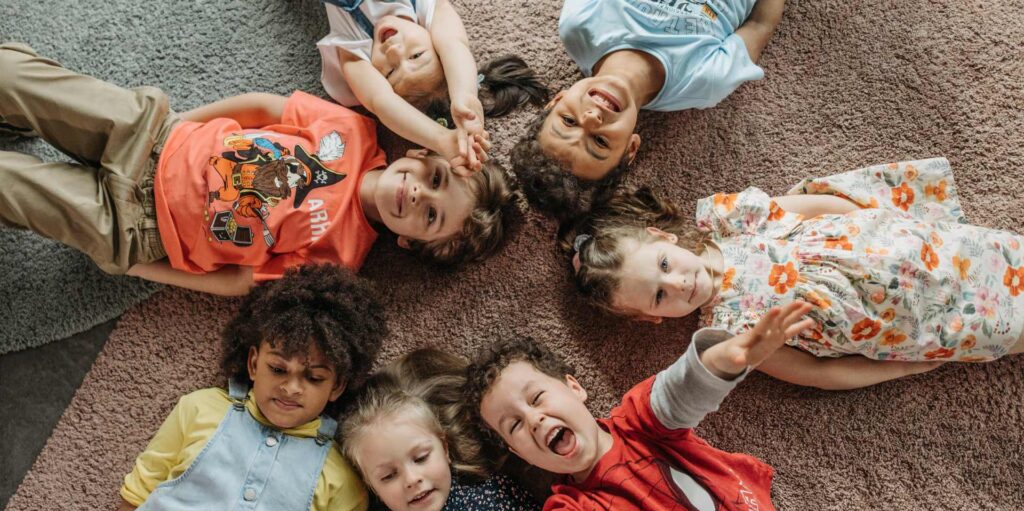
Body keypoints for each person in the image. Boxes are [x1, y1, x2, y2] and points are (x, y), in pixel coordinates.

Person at [0, 43, 517, 296]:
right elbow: (266, 109)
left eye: (429, 217)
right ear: (420, 154)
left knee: (11, 187)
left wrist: (132, 264)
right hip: (151, 138)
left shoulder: (340, 260)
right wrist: (179, 123)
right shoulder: (353, 134)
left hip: (138, 229)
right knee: (13, 73)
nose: (416, 197)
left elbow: (241, 281)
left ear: (409, 243)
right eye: (435, 181)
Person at [462, 302, 863, 511]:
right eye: (514, 426)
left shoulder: (639, 420)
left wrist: (725, 360)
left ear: (574, 387)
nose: (533, 419)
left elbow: (677, 391)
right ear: (519, 452)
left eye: (536, 397)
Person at [570, 158, 1023, 388]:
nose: (677, 284)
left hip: (912, 247)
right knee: (1004, 327)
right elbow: (817, 373)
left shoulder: (734, 222)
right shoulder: (730, 334)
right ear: (652, 319)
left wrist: (882, 225)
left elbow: (819, 209)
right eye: (658, 297)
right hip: (906, 323)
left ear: (663, 239)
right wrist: (900, 369)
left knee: (1001, 257)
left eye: (664, 267)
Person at [109, 264, 388, 511]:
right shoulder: (200, 409)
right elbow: (137, 493)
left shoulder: (342, 477)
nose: (291, 387)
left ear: (337, 386)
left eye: (313, 378)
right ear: (254, 363)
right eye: (278, 369)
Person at [510, 0, 785, 221]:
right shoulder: (704, 83)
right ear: (630, 148)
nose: (592, 119)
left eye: (569, 121)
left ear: (556, 100)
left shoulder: (580, 25)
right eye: (600, 141)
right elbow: (761, 22)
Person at [339, 348, 539, 511]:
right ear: (370, 484)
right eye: (388, 475)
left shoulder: (499, 497)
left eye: (421, 458)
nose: (412, 480)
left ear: (445, 448)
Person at [316, 0, 547, 172]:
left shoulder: (355, 43)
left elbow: (381, 102)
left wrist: (441, 139)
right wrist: (465, 97)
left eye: (391, 71)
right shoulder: (422, 9)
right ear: (433, 38)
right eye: (416, 55)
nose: (394, 50)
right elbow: (453, 43)